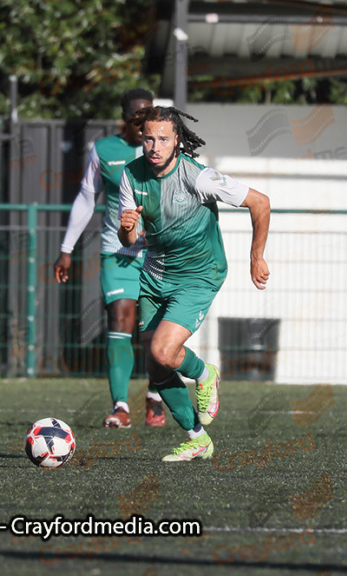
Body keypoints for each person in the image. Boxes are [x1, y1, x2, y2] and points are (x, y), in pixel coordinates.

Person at [118, 106, 271, 461]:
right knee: (156, 365)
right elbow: (129, 240)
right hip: (154, 276)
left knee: (162, 351)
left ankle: (204, 373)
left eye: (163, 139)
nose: (154, 146)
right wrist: (127, 227)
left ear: (177, 142)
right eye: (148, 138)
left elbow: (260, 203)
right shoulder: (131, 176)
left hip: (199, 275)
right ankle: (197, 438)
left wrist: (256, 256)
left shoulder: (198, 177)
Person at [54, 88, 167, 429]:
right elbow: (87, 199)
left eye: (148, 114)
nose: (142, 120)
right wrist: (66, 249)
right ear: (124, 117)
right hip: (117, 253)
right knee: (120, 320)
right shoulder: (104, 150)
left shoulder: (164, 148)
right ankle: (120, 406)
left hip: (158, 255)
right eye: (136, 115)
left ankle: (155, 396)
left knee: (157, 332)